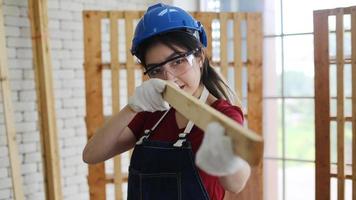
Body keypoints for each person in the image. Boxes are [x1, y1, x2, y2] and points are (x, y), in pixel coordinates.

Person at [82, 3, 251, 200]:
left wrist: (227, 159)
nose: (169, 79)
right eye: (156, 70)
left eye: (178, 61)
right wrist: (131, 107)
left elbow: (236, 184)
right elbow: (91, 155)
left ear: (199, 58)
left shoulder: (222, 115)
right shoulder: (153, 110)